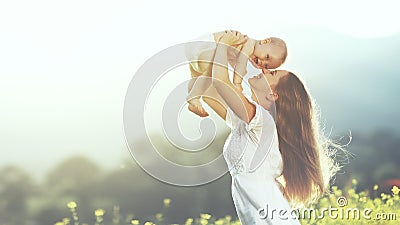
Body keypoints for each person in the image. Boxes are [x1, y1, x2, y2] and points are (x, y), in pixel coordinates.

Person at [201, 31, 342, 224]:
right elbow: (209, 91)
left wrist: (223, 44)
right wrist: (229, 56)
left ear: (273, 95)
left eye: (272, 73)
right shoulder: (249, 120)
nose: (264, 70)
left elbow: (220, 83)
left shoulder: (262, 122)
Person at [184, 30, 287, 117]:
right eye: (267, 57)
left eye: (266, 65)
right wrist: (237, 84)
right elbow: (240, 63)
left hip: (197, 50)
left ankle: (192, 98)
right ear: (265, 41)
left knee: (201, 76)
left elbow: (234, 61)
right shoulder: (249, 44)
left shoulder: (251, 52)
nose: (262, 62)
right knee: (214, 68)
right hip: (204, 45)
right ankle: (193, 97)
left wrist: (257, 66)